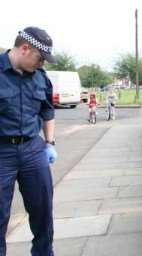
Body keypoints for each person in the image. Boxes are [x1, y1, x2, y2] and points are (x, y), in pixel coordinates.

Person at [0, 27, 57, 255]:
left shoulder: (41, 77)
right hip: (2, 151)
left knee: (43, 210)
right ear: (25, 49)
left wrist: (50, 143)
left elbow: (47, 111)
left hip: (34, 149)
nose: (42, 64)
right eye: (40, 58)